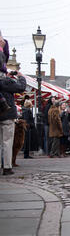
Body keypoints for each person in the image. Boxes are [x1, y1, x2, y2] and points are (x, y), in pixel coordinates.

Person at [0, 37, 26, 175]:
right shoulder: (7, 82)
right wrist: (21, 76)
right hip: (7, 114)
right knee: (7, 141)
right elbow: (21, 87)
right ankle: (7, 167)